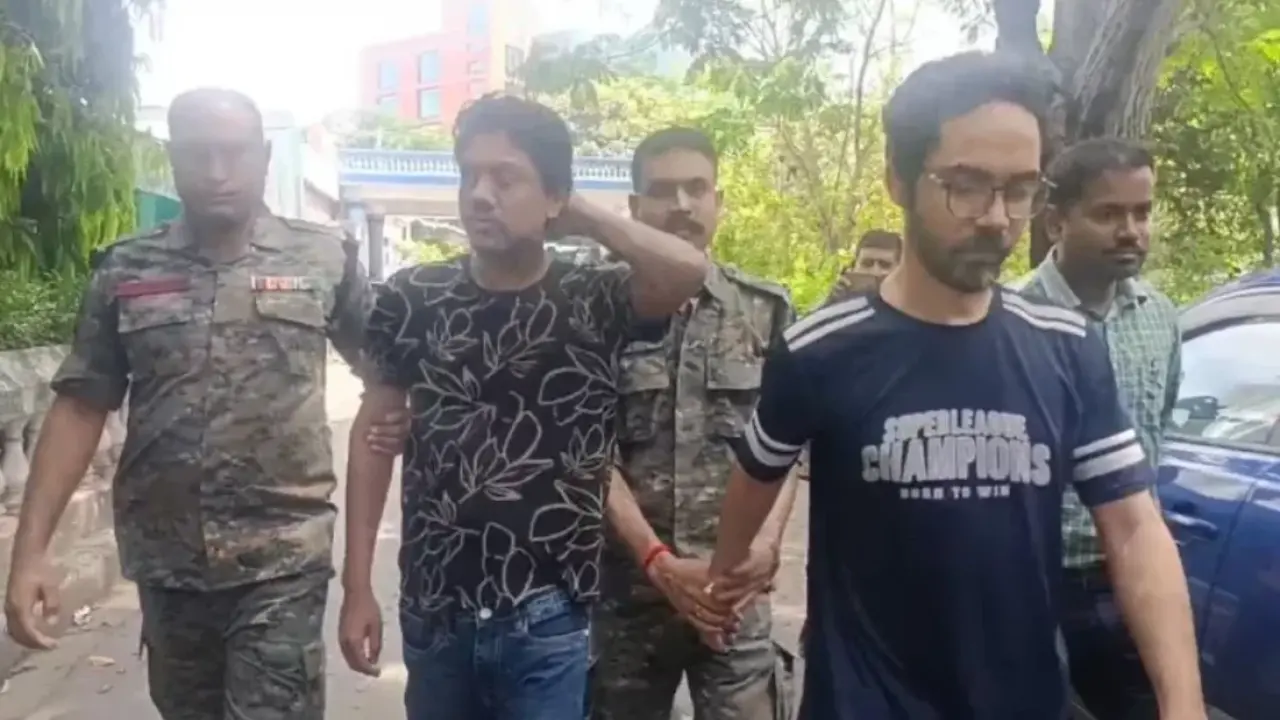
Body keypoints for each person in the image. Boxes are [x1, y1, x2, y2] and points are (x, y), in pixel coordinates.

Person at [704, 51, 1206, 720]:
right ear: (898, 179)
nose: (997, 218)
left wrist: (1183, 704)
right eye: (966, 185)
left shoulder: (1065, 346)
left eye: (1020, 189)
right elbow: (757, 472)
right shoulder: (822, 349)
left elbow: (1135, 526)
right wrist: (729, 572)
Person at [2, 87, 408, 719]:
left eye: (234, 152)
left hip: (282, 561)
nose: (218, 172)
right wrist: (30, 555)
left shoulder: (324, 259)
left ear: (264, 157)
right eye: (198, 154)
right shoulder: (126, 269)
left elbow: (384, 379)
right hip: (168, 566)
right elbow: (81, 406)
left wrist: (360, 578)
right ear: (172, 159)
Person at [337, 96, 709, 720]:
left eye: (505, 178)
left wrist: (580, 211)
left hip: (549, 613)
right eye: (469, 176)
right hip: (437, 608)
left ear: (553, 194)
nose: (480, 195)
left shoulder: (594, 297)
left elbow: (688, 271)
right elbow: (373, 438)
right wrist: (356, 588)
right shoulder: (414, 298)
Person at [592, 127, 797, 720]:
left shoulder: (765, 310)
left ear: (718, 201)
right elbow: (588, 451)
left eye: (696, 188)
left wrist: (766, 545)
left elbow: (787, 443)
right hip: (630, 594)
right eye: (662, 191)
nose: (681, 205)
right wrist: (656, 559)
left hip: (734, 592)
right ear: (635, 207)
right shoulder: (595, 310)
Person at [1021, 138, 1182, 719]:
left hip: (1129, 581)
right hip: (1032, 584)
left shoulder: (1160, 318)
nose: (1131, 231)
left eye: (1142, 213)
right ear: (1056, 221)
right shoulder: (1007, 321)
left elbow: (1156, 430)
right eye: (1109, 213)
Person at [825, 230, 902, 304]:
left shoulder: (907, 307)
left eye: (885, 265)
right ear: (853, 267)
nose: (875, 272)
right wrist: (833, 303)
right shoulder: (839, 299)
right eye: (867, 264)